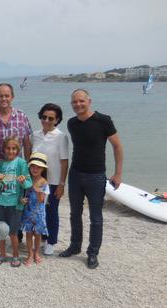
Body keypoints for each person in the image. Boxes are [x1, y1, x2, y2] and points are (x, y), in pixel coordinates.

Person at [59, 89, 123, 269]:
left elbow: (117, 147)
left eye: (81, 101)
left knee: (96, 217)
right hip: (76, 174)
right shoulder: (72, 123)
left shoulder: (103, 120)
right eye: (74, 102)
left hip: (96, 176)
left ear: (89, 101)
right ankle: (74, 246)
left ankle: (93, 252)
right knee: (74, 214)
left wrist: (118, 173)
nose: (78, 104)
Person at [0, 83, 32, 253]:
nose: (4, 98)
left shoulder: (22, 116)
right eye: (1, 95)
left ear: (12, 97)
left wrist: (29, 167)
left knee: (17, 206)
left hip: (17, 174)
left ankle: (17, 237)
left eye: (7, 95)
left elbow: (26, 143)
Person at [31, 103, 69, 255]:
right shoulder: (35, 135)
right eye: (44, 117)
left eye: (51, 118)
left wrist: (61, 184)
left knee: (52, 211)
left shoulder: (61, 137)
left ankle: (51, 241)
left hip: (53, 182)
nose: (46, 120)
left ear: (57, 120)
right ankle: (42, 237)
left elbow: (64, 162)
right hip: (38, 181)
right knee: (39, 210)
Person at [0, 137, 31, 267]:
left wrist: (23, 181)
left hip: (15, 204)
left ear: (18, 150)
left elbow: (28, 184)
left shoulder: (21, 163)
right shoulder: (1, 165)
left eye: (14, 149)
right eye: (8, 148)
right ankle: (2, 254)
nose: (11, 151)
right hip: (1, 202)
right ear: (4, 149)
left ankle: (15, 255)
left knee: (13, 233)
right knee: (0, 231)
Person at [21, 152, 50, 266]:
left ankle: (36, 252)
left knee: (37, 234)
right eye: (33, 166)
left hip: (39, 212)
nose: (35, 169)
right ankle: (29, 254)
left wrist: (37, 191)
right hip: (28, 210)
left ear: (43, 169)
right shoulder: (27, 179)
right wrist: (22, 200)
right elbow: (23, 194)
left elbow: (42, 200)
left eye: (38, 167)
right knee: (28, 233)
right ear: (29, 167)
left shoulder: (44, 181)